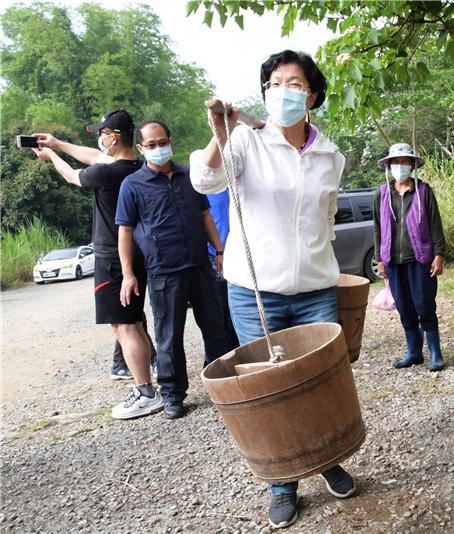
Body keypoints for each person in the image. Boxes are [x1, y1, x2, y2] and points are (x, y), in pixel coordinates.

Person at [191, 49, 356, 530]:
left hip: (315, 289)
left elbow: (325, 220)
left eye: (294, 83)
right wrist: (218, 132)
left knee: (322, 381)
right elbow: (205, 179)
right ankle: (282, 484)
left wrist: (325, 265)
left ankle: (327, 461)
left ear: (313, 95)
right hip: (255, 290)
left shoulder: (331, 155)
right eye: (274, 83)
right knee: (268, 388)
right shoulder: (246, 140)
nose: (282, 91)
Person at [32, 109, 162, 420]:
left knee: (124, 326)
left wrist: (51, 156)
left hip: (113, 259)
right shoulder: (136, 166)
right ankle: (154, 381)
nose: (100, 139)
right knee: (135, 321)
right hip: (136, 254)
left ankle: (145, 391)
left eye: (103, 133)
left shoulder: (107, 173)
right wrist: (59, 143)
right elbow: (93, 156)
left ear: (114, 137)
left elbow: (71, 175)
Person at [116, 120, 228, 419]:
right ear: (140, 148)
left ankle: (223, 383)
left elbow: (206, 216)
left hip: (200, 265)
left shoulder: (188, 176)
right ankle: (173, 394)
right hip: (164, 271)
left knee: (216, 329)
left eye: (162, 142)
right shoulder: (132, 186)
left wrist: (219, 251)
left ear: (170, 140)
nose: (158, 148)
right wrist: (128, 274)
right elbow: (124, 232)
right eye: (151, 145)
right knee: (169, 337)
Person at [374, 143, 447, 371]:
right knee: (405, 307)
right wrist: (380, 259)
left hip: (420, 259)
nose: (400, 166)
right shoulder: (382, 194)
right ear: (389, 166)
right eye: (396, 162)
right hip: (393, 261)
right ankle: (414, 352)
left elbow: (435, 225)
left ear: (413, 165)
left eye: (405, 162)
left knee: (424, 304)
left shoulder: (424, 191)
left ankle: (435, 352)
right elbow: (377, 228)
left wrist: (439, 254)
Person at [206, 189, 240, 352]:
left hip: (242, 254)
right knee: (220, 310)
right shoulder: (204, 186)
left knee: (240, 310)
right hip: (216, 255)